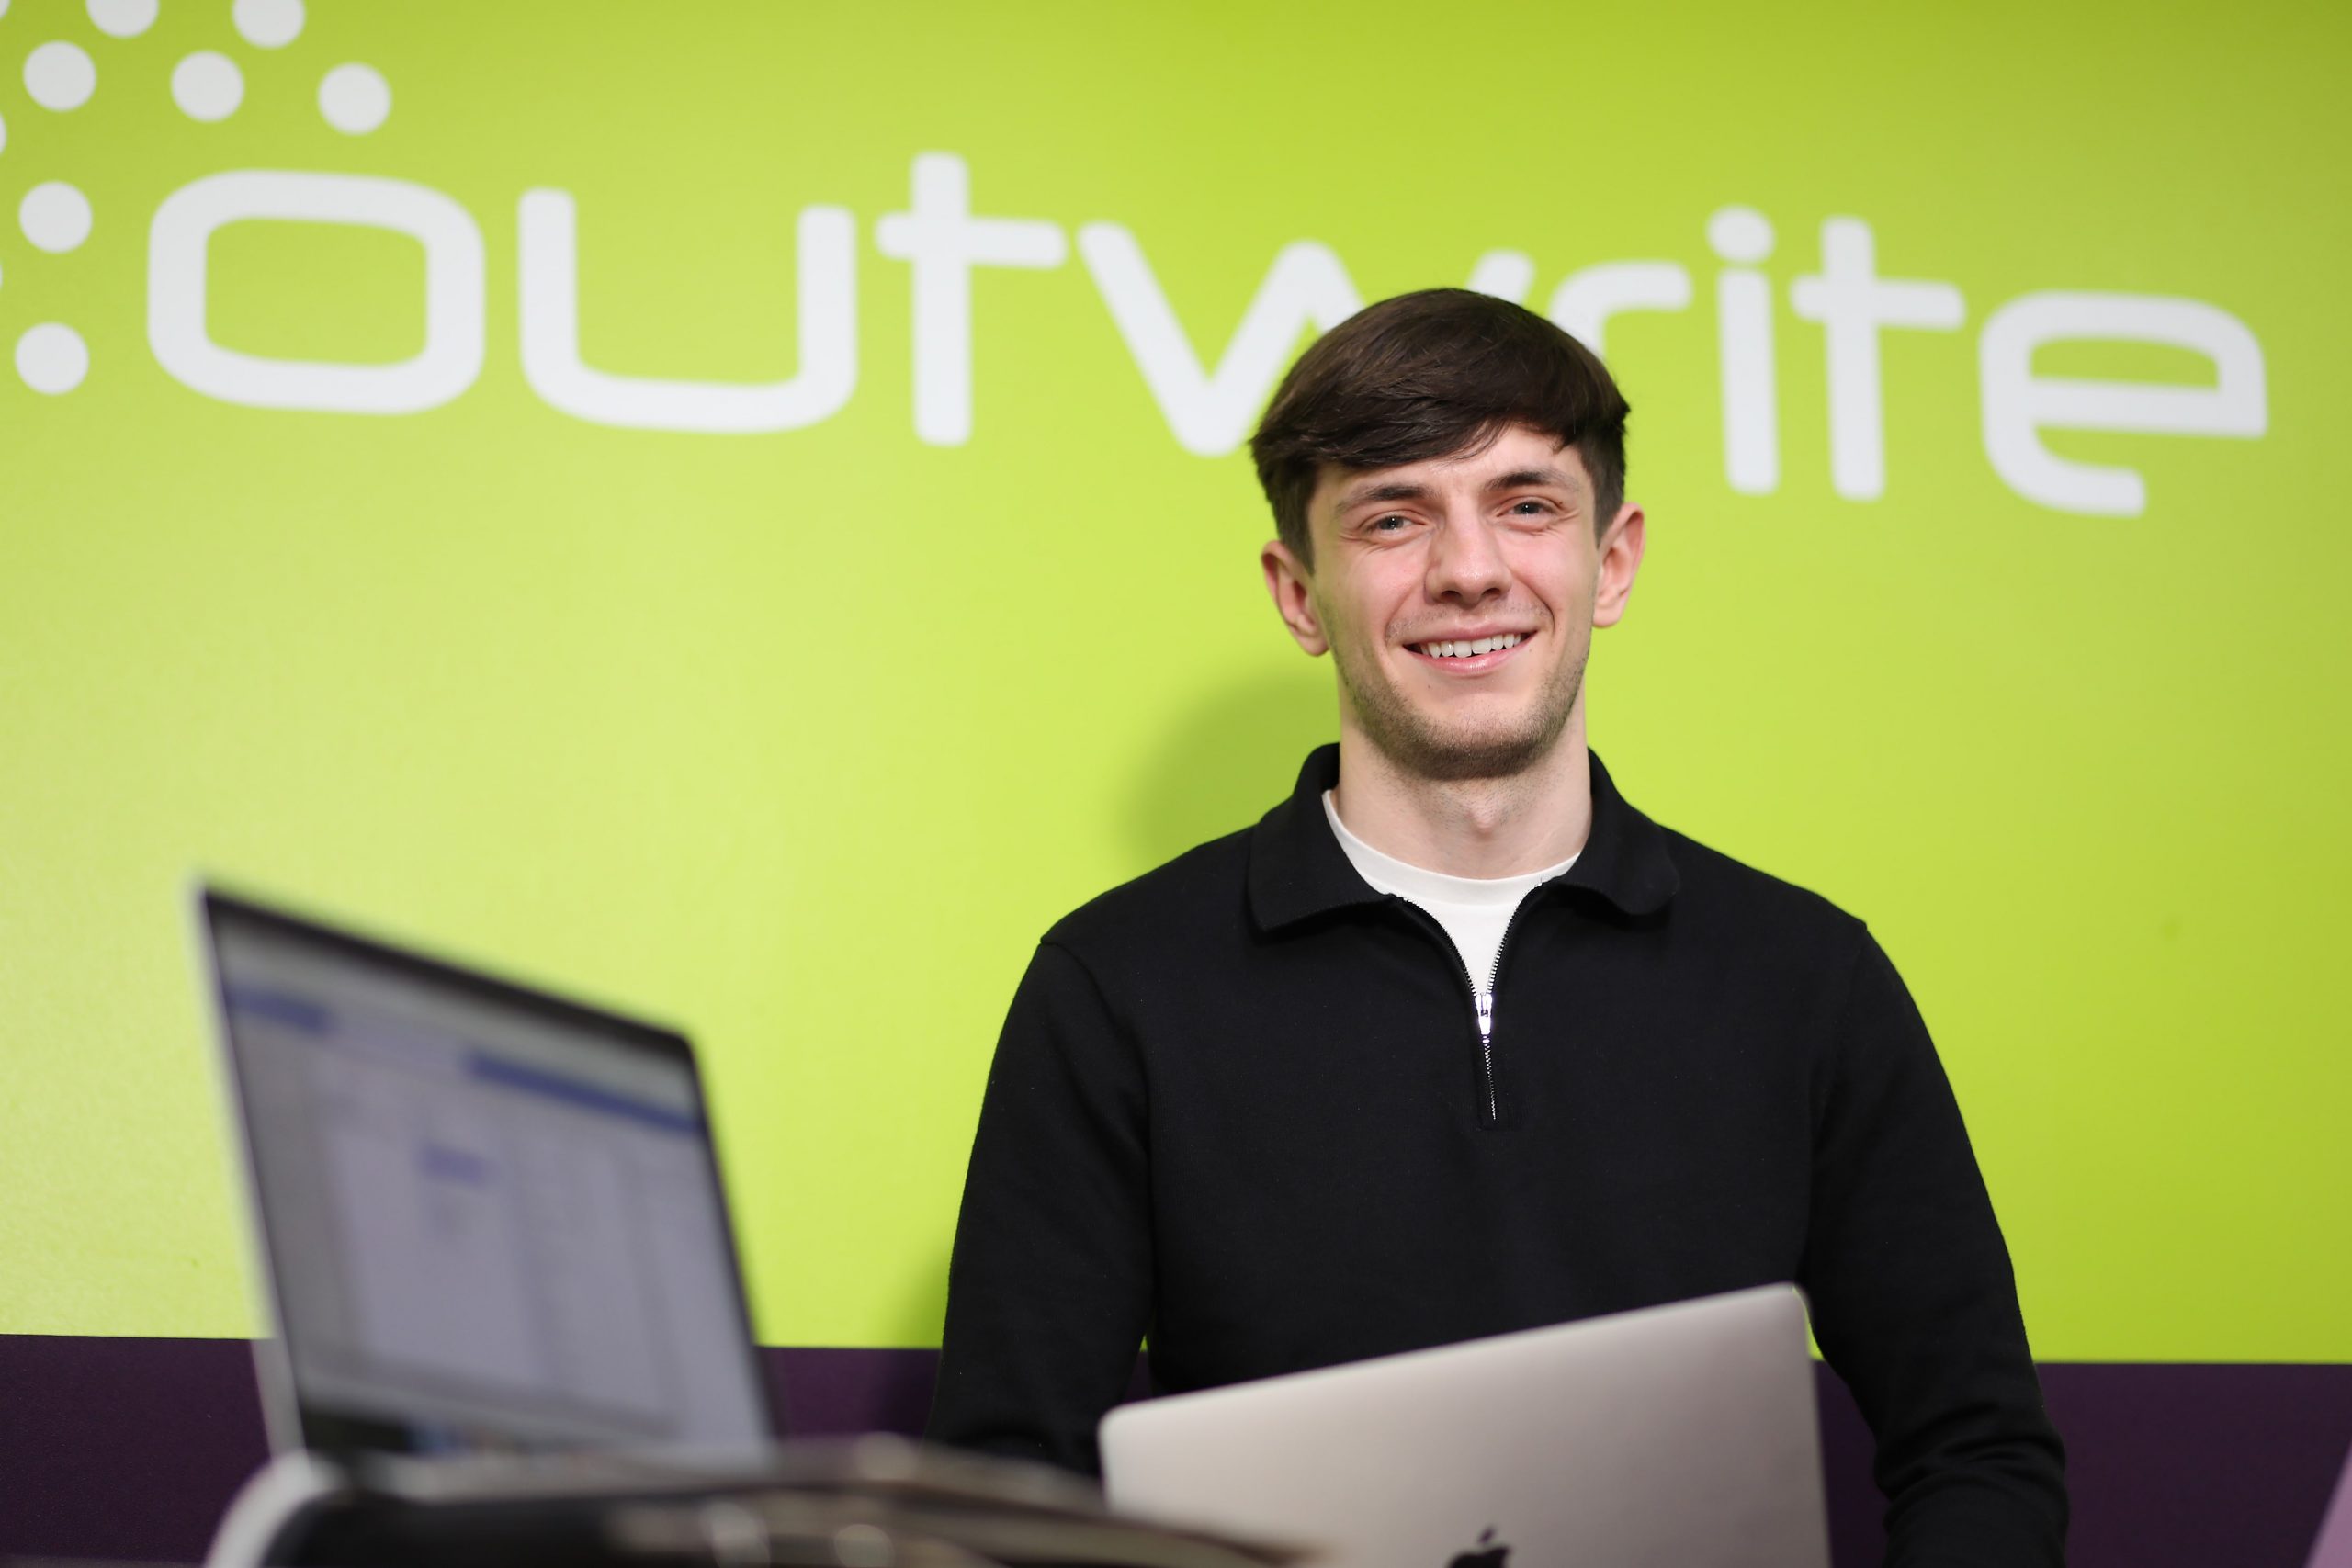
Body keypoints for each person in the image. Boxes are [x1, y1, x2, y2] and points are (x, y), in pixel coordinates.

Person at [926, 288, 2067, 1565]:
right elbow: (1003, 1491)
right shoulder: (1117, 985)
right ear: (1299, 595)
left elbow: (1978, 1451)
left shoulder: (1807, 978)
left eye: (1527, 505)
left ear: (1612, 561)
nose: (1468, 570)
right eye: (1393, 516)